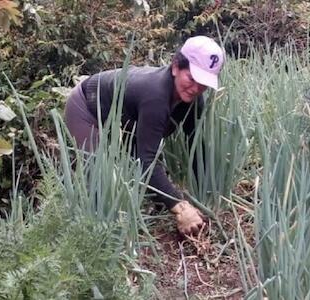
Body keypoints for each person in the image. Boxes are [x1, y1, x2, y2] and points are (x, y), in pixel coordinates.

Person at [65, 36, 225, 235]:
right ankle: (99, 237)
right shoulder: (155, 96)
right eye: (192, 78)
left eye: (203, 83)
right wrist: (181, 207)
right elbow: (146, 161)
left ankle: (144, 213)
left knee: (139, 173)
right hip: (87, 108)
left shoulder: (193, 99)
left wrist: (209, 192)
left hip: (125, 118)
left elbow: (195, 143)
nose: (196, 89)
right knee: (100, 180)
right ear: (176, 66)